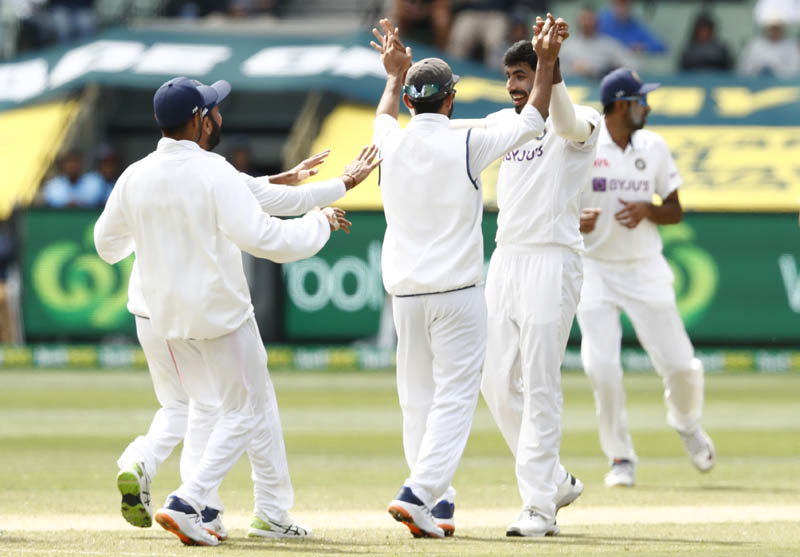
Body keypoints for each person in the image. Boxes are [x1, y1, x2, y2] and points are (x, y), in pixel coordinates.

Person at [95, 76, 378, 546]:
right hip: (219, 315)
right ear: (198, 121)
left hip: (165, 317)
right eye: (213, 110)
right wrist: (319, 224)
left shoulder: (136, 175)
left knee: (211, 408)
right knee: (241, 412)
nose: (219, 116)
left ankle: (251, 511)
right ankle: (191, 502)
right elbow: (265, 238)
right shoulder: (214, 172)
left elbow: (107, 247)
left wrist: (337, 185)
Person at [369, 14, 558, 539]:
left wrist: (393, 75)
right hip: (457, 292)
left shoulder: (390, 139)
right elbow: (534, 120)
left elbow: (383, 114)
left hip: (405, 294)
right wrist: (545, 62)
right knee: (454, 397)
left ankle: (437, 503)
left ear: (412, 104)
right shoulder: (468, 141)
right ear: (450, 100)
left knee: (417, 399)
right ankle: (420, 492)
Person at [451, 15, 600, 537]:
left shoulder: (582, 118)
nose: (514, 86)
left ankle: (538, 507)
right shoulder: (505, 121)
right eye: (510, 77)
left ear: (545, 74)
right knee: (494, 379)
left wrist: (551, 65)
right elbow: (449, 134)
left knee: (540, 381)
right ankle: (553, 479)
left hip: (552, 259)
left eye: (523, 75)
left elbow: (565, 122)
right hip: (507, 259)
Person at [577, 68, 715, 488]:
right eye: (641, 100)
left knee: (681, 367)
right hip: (594, 268)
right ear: (621, 105)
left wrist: (647, 210)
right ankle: (620, 457)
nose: (648, 107)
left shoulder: (653, 146)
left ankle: (687, 424)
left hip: (644, 268)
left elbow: (675, 210)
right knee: (601, 367)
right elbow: (555, 203)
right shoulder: (582, 144)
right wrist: (574, 220)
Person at [559, 5, 637, 80]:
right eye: (584, 19)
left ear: (597, 21)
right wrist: (572, 69)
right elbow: (557, 71)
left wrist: (613, 70)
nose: (587, 23)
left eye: (590, 19)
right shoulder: (568, 46)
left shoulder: (609, 44)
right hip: (575, 86)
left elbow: (631, 64)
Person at [41, 150, 108, 208]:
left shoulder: (94, 183)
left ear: (82, 164)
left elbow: (96, 200)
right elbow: (53, 202)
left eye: (76, 162)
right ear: (63, 165)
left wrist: (78, 203)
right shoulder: (52, 186)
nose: (73, 166)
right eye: (69, 163)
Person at [597, 0, 666, 54]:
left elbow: (660, 46)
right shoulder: (600, 22)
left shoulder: (636, 25)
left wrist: (643, 48)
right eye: (618, 3)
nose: (621, 8)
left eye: (624, 4)